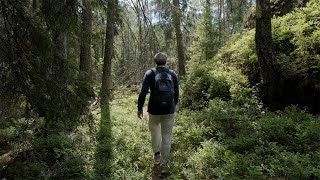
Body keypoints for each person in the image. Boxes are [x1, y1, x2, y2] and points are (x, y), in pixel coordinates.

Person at [137, 52, 179, 172]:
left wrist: (140, 108)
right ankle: (164, 165)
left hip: (154, 110)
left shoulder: (150, 73)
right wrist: (173, 105)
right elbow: (176, 92)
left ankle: (156, 157)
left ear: (155, 61)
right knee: (167, 136)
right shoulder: (172, 73)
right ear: (166, 61)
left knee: (155, 132)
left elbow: (143, 92)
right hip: (169, 110)